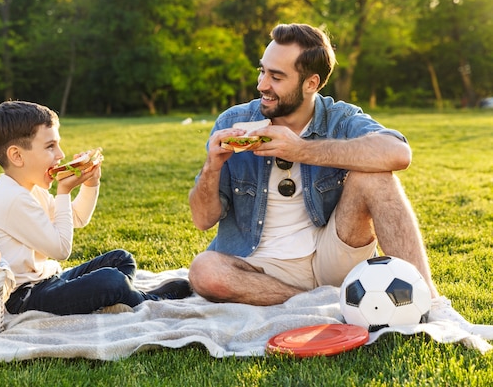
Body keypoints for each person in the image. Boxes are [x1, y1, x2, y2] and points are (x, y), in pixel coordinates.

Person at [187, 23, 491, 336]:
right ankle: (327, 304)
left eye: (276, 77)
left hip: (331, 254)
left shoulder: (339, 118)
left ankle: (434, 307)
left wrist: (302, 150)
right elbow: (202, 219)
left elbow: (398, 152)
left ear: (311, 83)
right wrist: (212, 166)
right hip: (260, 266)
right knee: (204, 271)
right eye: (262, 71)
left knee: (375, 178)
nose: (263, 84)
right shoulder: (234, 122)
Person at [0, 100, 192, 315]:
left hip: (46, 280)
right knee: (111, 279)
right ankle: (146, 299)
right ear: (17, 156)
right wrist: (63, 192)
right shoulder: (12, 198)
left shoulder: (30, 189)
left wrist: (90, 184)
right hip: (23, 298)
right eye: (50, 146)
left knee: (120, 259)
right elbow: (61, 250)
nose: (60, 155)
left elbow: (76, 218)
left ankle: (121, 296)